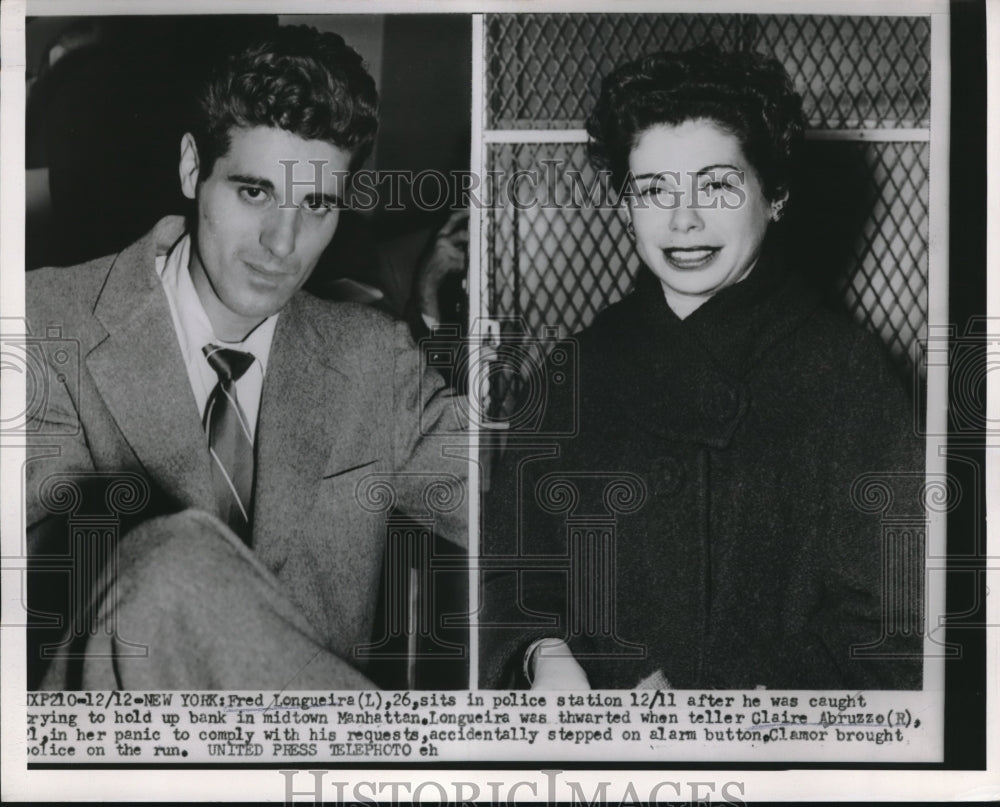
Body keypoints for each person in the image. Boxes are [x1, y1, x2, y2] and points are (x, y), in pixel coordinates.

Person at [25, 25, 467, 690]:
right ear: (190, 168)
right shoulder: (45, 323)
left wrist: (542, 649)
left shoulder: (372, 358)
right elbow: (43, 578)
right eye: (254, 191)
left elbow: (514, 494)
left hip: (302, 778)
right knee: (173, 565)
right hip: (120, 758)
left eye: (316, 203)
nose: (281, 243)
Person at [480, 45, 924, 691]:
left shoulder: (847, 373)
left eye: (717, 184)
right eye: (654, 189)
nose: (683, 219)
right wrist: (544, 655)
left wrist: (725, 704)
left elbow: (892, 621)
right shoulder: (572, 372)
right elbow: (517, 574)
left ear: (775, 196)